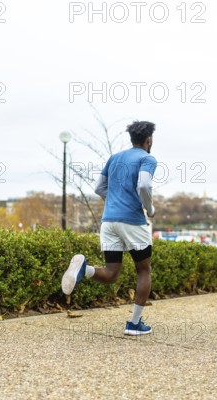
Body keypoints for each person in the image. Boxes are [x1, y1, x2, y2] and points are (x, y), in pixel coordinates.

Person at [62, 121, 157, 336]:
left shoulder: (114, 158)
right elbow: (143, 185)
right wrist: (149, 208)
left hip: (109, 221)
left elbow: (98, 188)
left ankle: (83, 270)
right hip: (132, 221)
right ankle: (134, 324)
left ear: (131, 138)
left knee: (112, 273)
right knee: (144, 270)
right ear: (148, 140)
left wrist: (114, 200)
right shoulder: (147, 158)